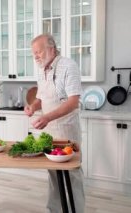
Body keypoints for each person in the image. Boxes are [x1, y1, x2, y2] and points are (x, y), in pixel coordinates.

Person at [24, 34, 85, 213]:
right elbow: (41, 97)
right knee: (52, 172)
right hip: (49, 130)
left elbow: (73, 101)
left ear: (51, 49)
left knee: (72, 174)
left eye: (38, 51)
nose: (35, 56)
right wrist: (33, 107)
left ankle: (76, 210)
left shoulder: (69, 66)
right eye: (33, 53)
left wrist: (47, 117)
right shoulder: (41, 70)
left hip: (67, 130)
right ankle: (55, 210)